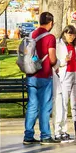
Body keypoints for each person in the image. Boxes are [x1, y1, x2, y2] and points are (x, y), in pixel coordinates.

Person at [23, 12, 60, 145]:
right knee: (45, 106)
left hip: (31, 74)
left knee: (32, 106)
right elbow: (52, 58)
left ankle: (28, 135)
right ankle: (45, 135)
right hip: (44, 75)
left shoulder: (32, 34)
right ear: (50, 23)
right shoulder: (50, 37)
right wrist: (57, 64)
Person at [53, 25, 76, 143]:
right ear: (64, 34)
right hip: (65, 75)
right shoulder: (59, 45)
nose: (72, 37)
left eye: (74, 35)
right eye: (70, 35)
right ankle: (60, 130)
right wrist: (64, 61)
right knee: (63, 103)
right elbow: (56, 61)